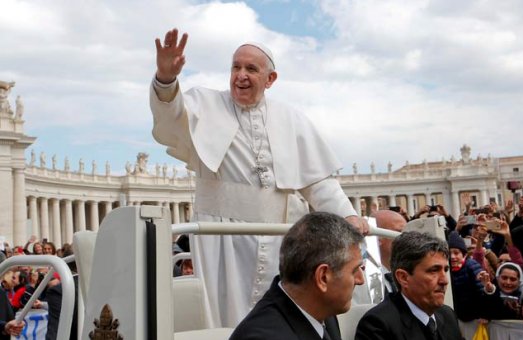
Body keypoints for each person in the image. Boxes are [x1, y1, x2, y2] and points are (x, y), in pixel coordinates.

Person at [149, 28, 368, 327]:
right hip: (222, 240)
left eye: (251, 68)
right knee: (226, 319)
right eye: (235, 67)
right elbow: (169, 115)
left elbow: (318, 182)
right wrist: (165, 78)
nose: (240, 75)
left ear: (270, 79)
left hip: (282, 238)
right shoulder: (205, 103)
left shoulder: (291, 119)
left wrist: (348, 215)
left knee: (282, 320)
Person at [229, 212, 364, 340]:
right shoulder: (263, 336)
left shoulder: (323, 315)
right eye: (354, 270)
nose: (361, 280)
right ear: (323, 277)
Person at [355, 231, 462, 340]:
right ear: (403, 277)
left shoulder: (447, 315)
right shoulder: (377, 325)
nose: (444, 280)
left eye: (445, 270)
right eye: (433, 270)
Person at [374, 210, 406, 294]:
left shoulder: (410, 275)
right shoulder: (360, 280)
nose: (407, 239)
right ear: (377, 237)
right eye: (400, 232)